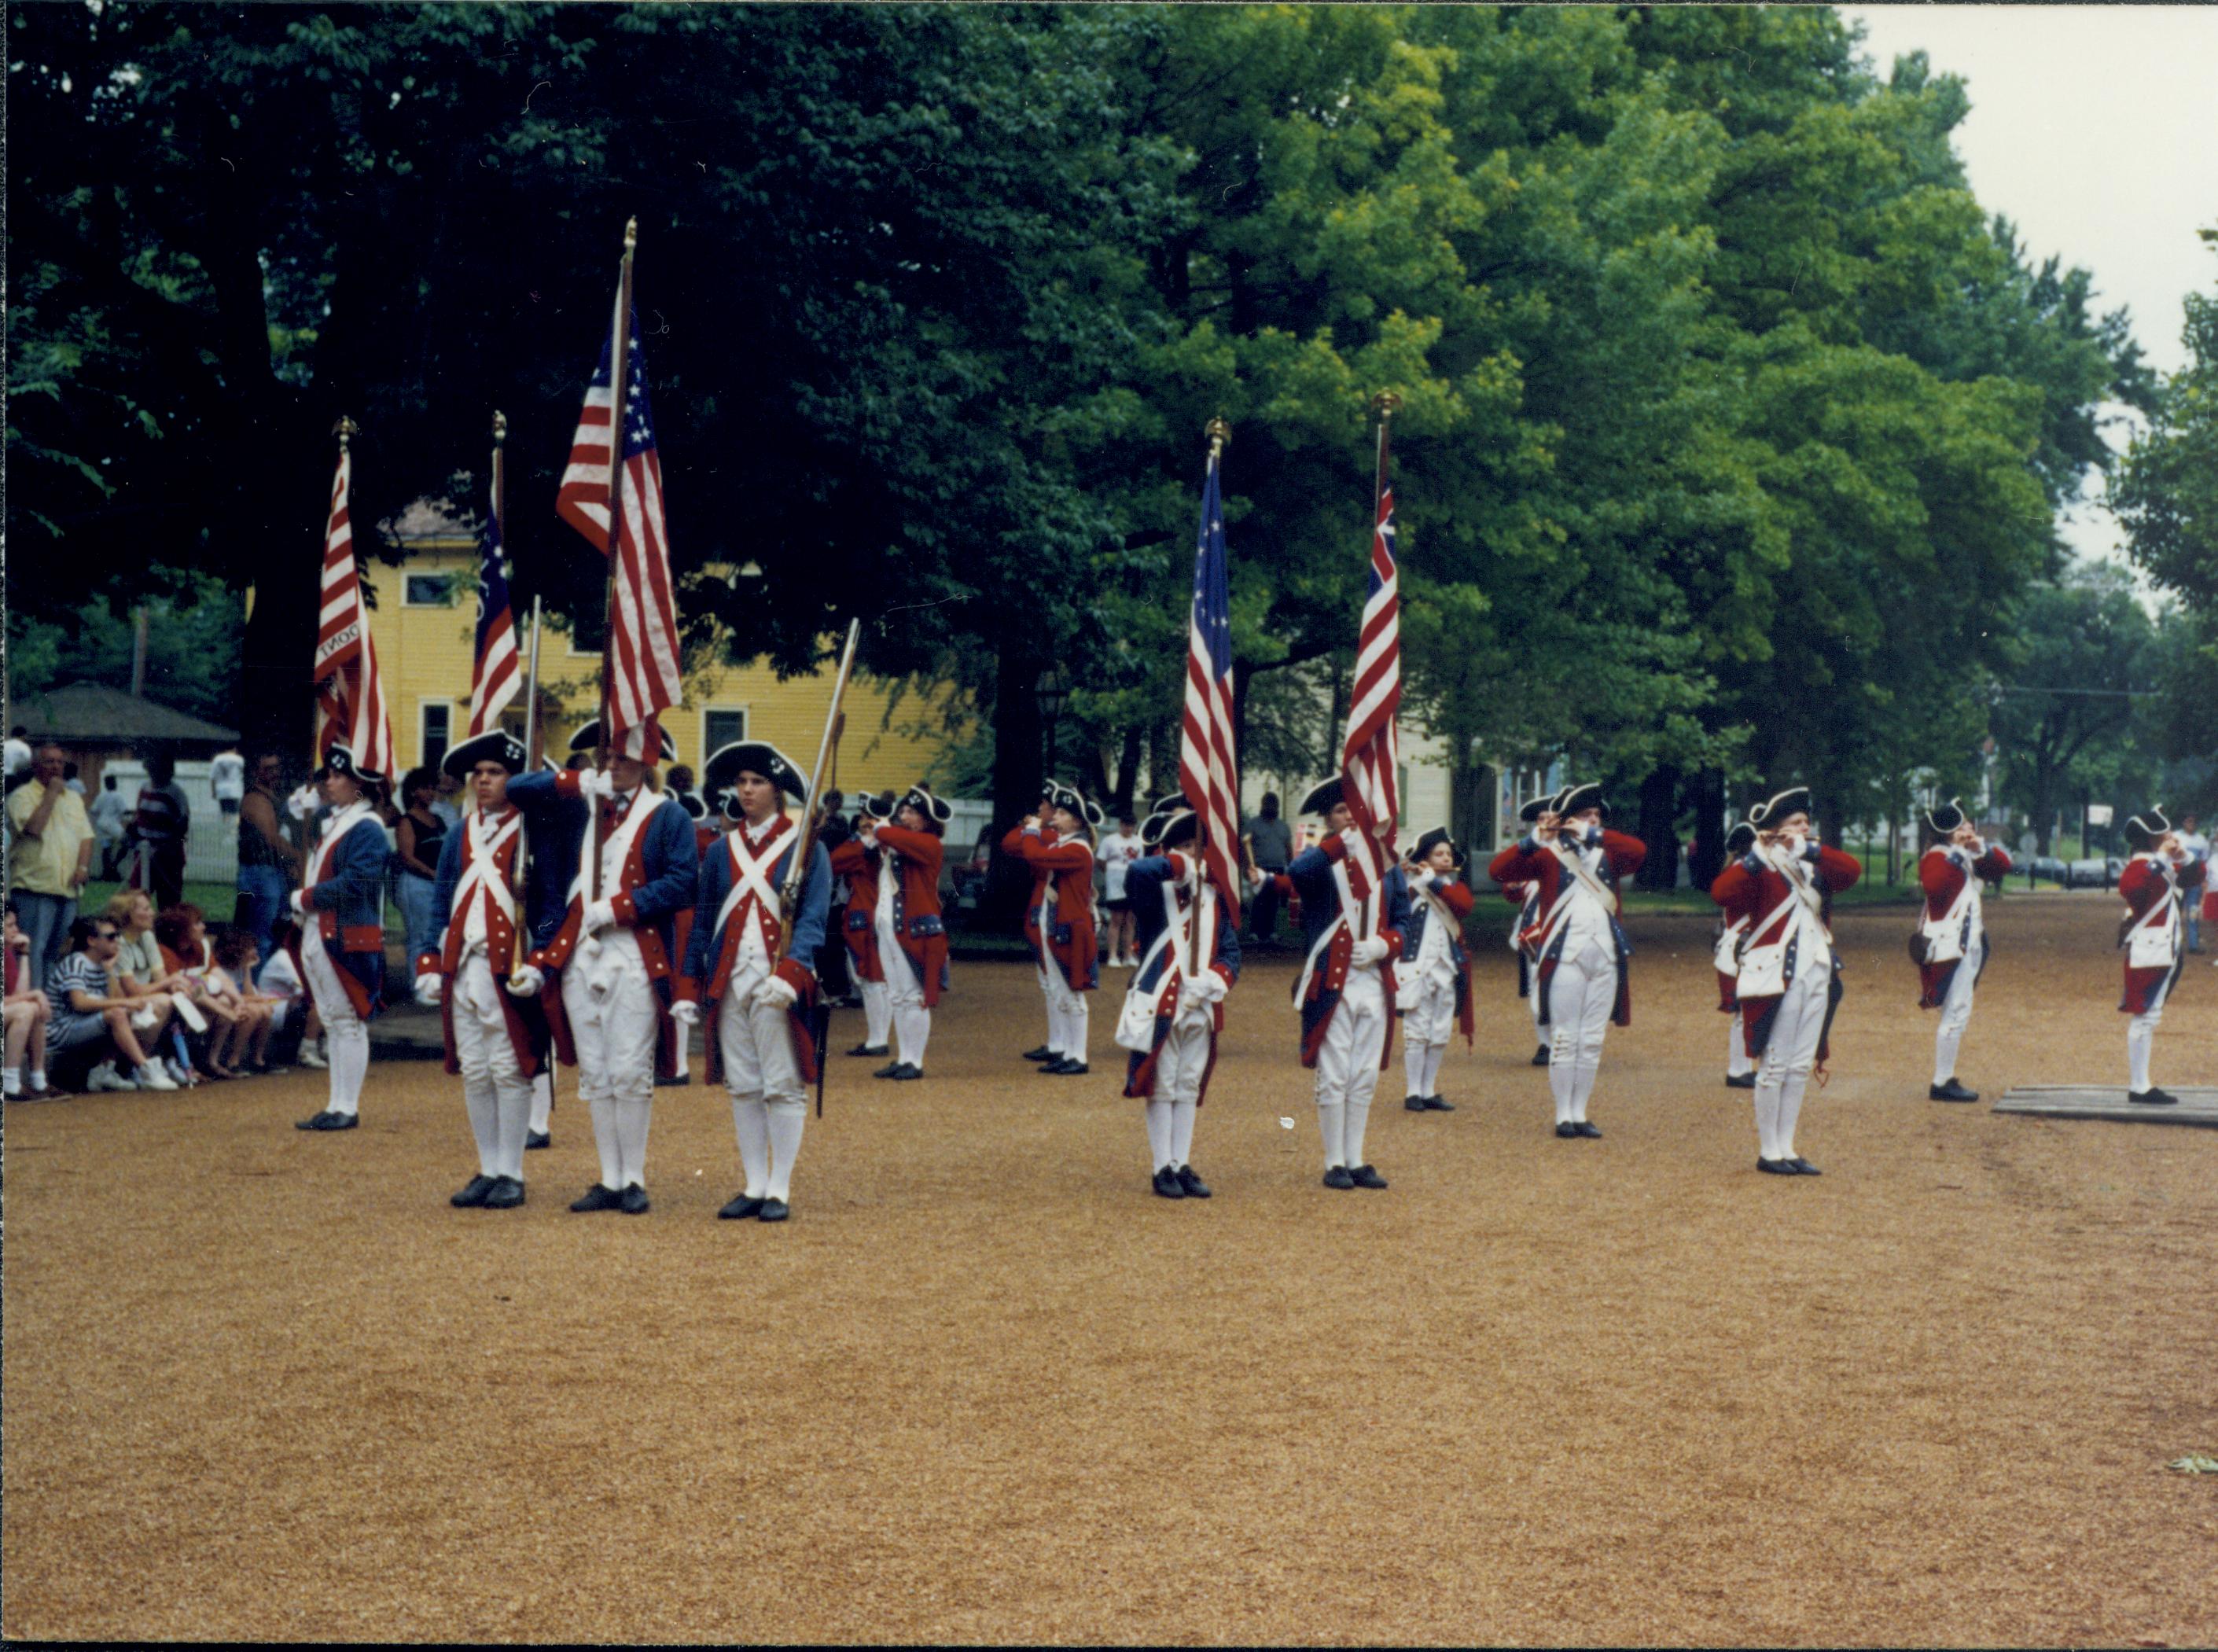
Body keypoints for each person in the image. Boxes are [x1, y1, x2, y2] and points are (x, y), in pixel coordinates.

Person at [509, 721, 697, 1213]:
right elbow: (517, 789)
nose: (611, 768)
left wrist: (619, 908)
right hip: (578, 953)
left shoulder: (666, 816)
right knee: (595, 1071)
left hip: (633, 950)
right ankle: (608, 1177)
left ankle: (633, 1177)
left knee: (629, 1068)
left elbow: (682, 883)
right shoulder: (580, 806)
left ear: (645, 765)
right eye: (605, 760)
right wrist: (575, 783)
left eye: (622, 761)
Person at [675, 740, 832, 1222]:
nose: (746, 790)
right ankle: (753, 1183)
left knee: (782, 1084)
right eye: (741, 782)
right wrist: (688, 986)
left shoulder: (807, 847)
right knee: (742, 1084)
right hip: (729, 979)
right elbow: (703, 922)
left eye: (757, 782)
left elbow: (813, 918)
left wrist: (792, 972)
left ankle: (779, 1188)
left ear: (777, 790)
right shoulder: (722, 849)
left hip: (776, 981)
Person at [414, 729, 558, 1212]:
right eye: (478, 773)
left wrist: (539, 962)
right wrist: (430, 961)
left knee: (509, 1067)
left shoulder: (535, 829)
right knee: (476, 1070)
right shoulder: (461, 831)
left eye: (496, 772)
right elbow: (442, 901)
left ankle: (512, 1172)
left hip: (508, 965)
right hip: (463, 964)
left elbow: (549, 905)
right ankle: (487, 1166)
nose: (484, 781)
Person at [1709, 788, 1863, 1176]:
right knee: (1774, 1065)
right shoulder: (1762, 865)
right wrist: (1758, 854)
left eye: (1806, 824)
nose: (1804, 829)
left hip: (1816, 971)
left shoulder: (1814, 864)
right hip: (1775, 975)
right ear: (1775, 831)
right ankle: (1769, 1150)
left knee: (1798, 1066)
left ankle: (1788, 1146)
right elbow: (1721, 893)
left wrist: (1810, 850)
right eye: (1795, 824)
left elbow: (1851, 871)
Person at [1486, 781, 1645, 1140]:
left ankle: (1581, 1112)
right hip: (1564, 953)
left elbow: (1638, 851)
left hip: (1605, 953)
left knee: (1592, 1038)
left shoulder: (1610, 852)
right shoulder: (1548, 854)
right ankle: (1563, 1115)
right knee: (1564, 1037)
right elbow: (1499, 871)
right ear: (1567, 820)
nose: (1592, 820)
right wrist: (1534, 839)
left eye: (1597, 816)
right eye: (1585, 815)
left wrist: (1596, 832)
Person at [1287, 778, 1407, 1190]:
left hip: (1373, 980)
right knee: (1335, 1074)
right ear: (1328, 819)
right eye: (1341, 810)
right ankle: (1333, 1160)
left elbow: (1403, 921)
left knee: (1365, 1074)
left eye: (1357, 810)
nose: (1351, 817)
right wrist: (1343, 842)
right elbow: (1297, 874)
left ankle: (1356, 1157)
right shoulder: (1323, 859)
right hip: (1334, 982)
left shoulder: (1388, 866)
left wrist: (1383, 944)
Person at [1118, 800, 1241, 1198]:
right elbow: (1137, 871)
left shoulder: (1214, 897)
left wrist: (1212, 980)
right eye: (1184, 846)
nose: (1193, 854)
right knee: (1163, 1084)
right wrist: (1181, 865)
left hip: (1201, 1005)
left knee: (1187, 1085)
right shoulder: (1157, 893)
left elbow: (1231, 954)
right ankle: (1161, 1167)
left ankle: (1181, 1162)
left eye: (1197, 847)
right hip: (1163, 1004)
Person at [288, 743, 393, 1131]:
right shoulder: (336, 821)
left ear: (359, 784)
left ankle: (347, 1106)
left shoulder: (367, 827)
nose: (328, 782)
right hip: (321, 928)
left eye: (337, 776)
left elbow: (357, 881)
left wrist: (307, 897)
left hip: (346, 931)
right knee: (333, 1019)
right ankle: (336, 1102)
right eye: (327, 776)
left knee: (347, 1019)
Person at [1915, 798, 2013, 1103]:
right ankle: (1942, 1080)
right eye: (1963, 826)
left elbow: (2003, 867)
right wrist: (1958, 852)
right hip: (1949, 946)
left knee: (1960, 1009)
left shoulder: (1965, 854)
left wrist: (1978, 849)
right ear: (1948, 832)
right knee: (1955, 1011)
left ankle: (1945, 1076)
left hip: (1968, 942)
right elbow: (1935, 885)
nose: (1969, 829)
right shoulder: (1936, 856)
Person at [1008, 782, 1102, 1076]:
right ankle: (1069, 1052)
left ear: (1075, 820)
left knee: (1072, 994)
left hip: (1070, 926)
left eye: (1061, 813)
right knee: (1062, 993)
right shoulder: (1065, 844)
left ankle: (1079, 1056)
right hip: (1056, 923)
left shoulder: (1077, 848)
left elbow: (1035, 855)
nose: (1055, 817)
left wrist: (1032, 831)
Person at [859, 784, 951, 1080]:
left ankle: (915, 1061)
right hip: (890, 925)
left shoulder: (930, 843)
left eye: (912, 812)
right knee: (897, 995)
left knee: (913, 996)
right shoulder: (901, 841)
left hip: (915, 928)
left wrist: (881, 828)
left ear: (927, 820)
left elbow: (887, 835)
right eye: (903, 811)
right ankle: (903, 1058)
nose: (904, 816)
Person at [46, 915, 177, 1093]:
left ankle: (104, 1071)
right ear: (92, 940)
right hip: (61, 1029)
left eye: (118, 936)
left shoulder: (103, 965)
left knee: (123, 1011)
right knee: (117, 1014)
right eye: (111, 937)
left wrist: (109, 972)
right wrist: (126, 1002)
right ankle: (145, 1069)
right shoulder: (76, 962)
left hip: (83, 1024)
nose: (117, 941)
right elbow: (79, 1003)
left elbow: (115, 998)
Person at [1396, 827, 1476, 1113]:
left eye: (1447, 854)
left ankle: (1429, 1089)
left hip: (1448, 966)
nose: (1445, 858)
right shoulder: (1410, 886)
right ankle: (1412, 1091)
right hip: (1417, 965)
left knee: (1440, 1029)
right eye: (1437, 854)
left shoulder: (1453, 887)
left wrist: (1435, 882)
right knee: (1417, 1028)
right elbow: (1394, 905)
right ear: (1424, 859)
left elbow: (1464, 906)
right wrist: (1417, 878)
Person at [7, 744, 95, 985]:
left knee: (54, 951)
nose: (56, 767)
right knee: (33, 950)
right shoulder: (21, 797)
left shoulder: (74, 799)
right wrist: (51, 794)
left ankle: (48, 1005)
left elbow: (86, 836)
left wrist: (83, 868)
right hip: (35, 888)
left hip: (67, 889)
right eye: (49, 762)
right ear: (35, 766)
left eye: (60, 762)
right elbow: (34, 828)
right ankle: (35, 1005)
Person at [2117, 807, 2187, 1107]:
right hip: (2150, 950)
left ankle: (2141, 1084)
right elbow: (2132, 888)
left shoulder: (2160, 865)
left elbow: (2197, 876)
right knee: (2144, 1018)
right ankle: (2139, 1086)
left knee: (2150, 1016)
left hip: (2164, 948)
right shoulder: (2141, 866)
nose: (2171, 837)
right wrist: (2162, 859)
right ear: (2152, 839)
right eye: (2165, 833)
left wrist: (2182, 857)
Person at [829, 791, 895, 1058]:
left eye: (869, 818)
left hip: (865, 914)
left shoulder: (870, 845)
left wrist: (865, 839)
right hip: (878, 913)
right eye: (864, 818)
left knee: (872, 980)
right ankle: (877, 1038)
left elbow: (834, 861)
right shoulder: (883, 842)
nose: (864, 823)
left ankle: (877, 1040)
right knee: (877, 979)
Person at [234, 752, 301, 978]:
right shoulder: (255, 799)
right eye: (268, 768)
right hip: (260, 874)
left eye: (276, 768)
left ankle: (266, 980)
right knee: (260, 936)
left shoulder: (272, 797)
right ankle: (252, 985)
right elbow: (271, 838)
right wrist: (299, 858)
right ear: (256, 772)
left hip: (272, 873)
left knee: (275, 932)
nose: (274, 773)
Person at [392, 767, 448, 994]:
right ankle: (419, 987)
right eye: (426, 788)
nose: (431, 793)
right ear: (414, 791)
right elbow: (407, 857)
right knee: (419, 935)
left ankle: (434, 983)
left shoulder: (438, 820)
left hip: (437, 886)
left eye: (433, 788)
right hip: (415, 884)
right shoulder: (406, 821)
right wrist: (432, 873)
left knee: (436, 934)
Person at [1712, 821, 1760, 1089]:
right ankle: (1737, 1069)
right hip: (1740, 946)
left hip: (1741, 944)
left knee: (1746, 1011)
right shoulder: (1742, 871)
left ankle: (1743, 1067)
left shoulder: (1740, 870)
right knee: (1743, 1012)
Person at [127, 751, 193, 911]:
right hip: (143, 854)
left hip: (167, 857)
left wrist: (167, 848)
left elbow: (182, 825)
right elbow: (139, 816)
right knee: (137, 898)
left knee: (168, 904)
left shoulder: (176, 793)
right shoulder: (144, 788)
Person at [6, 903, 56, 1100]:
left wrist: (24, 955)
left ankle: (38, 1080)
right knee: (27, 1009)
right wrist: (32, 995)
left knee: (34, 1008)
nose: (16, 930)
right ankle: (9, 1083)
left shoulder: (7, 952)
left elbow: (20, 993)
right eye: (10, 925)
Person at [1241, 792, 1295, 945]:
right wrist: (1246, 868)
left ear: (1277, 807)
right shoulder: (1253, 825)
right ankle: (1255, 932)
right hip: (1259, 868)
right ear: (1262, 805)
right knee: (1259, 900)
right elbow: (1245, 847)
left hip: (1278, 868)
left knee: (1273, 901)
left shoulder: (1283, 826)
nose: (1271, 807)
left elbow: (1288, 848)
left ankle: (1270, 932)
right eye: (1268, 804)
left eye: (1274, 804)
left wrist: (1292, 867)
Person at [1097, 811, 1144, 969]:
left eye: (1131, 826)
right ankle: (1112, 955)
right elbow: (1101, 861)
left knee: (1130, 920)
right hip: (1116, 886)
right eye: (1126, 825)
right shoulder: (1110, 841)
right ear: (1121, 825)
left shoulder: (1138, 842)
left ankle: (1128, 955)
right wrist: (1113, 874)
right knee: (1116, 920)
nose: (1129, 829)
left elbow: (1140, 863)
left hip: (1133, 885)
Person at [2174, 811, 2208, 955]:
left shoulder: (2201, 840)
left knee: (2193, 913)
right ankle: (2173, 944)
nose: (2191, 824)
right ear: (2183, 823)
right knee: (2175, 912)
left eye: (2193, 822)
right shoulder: (2177, 837)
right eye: (2188, 821)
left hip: (2194, 882)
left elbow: (2203, 861)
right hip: (2179, 880)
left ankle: (2193, 945)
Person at [90, 772, 131, 880]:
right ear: (114, 783)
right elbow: (124, 811)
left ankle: (106, 873)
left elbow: (93, 810)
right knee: (127, 842)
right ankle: (113, 866)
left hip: (101, 824)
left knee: (106, 848)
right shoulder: (118, 795)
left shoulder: (101, 796)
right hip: (112, 824)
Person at [209, 745, 246, 817]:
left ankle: (225, 825)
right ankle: (233, 827)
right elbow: (244, 774)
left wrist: (214, 792)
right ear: (234, 749)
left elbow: (213, 777)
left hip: (221, 790)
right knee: (235, 813)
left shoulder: (217, 759)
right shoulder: (239, 759)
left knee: (225, 813)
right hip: (235, 790)